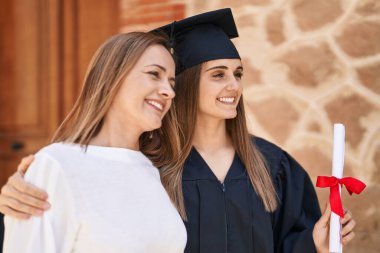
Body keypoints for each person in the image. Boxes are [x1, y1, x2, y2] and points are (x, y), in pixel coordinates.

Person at [0, 9, 355, 253]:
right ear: (186, 87)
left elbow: (289, 241)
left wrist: (316, 243)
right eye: (217, 74)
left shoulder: (273, 166)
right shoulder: (151, 165)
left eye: (238, 73)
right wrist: (15, 195)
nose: (233, 84)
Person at [1, 32, 187, 253]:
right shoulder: (56, 165)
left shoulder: (157, 171)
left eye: (171, 82)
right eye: (154, 74)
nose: (169, 92)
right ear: (112, 78)